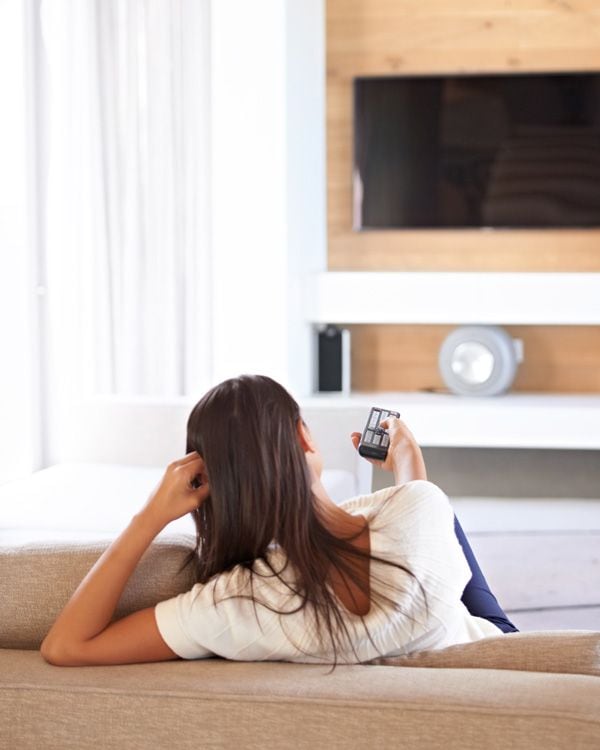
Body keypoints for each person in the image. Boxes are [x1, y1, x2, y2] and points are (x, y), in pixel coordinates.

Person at [41, 374, 517, 667]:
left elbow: (66, 646)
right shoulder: (418, 509)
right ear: (304, 438)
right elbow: (417, 509)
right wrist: (410, 462)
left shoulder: (233, 602)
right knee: (437, 507)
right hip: (492, 652)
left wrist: (150, 516)